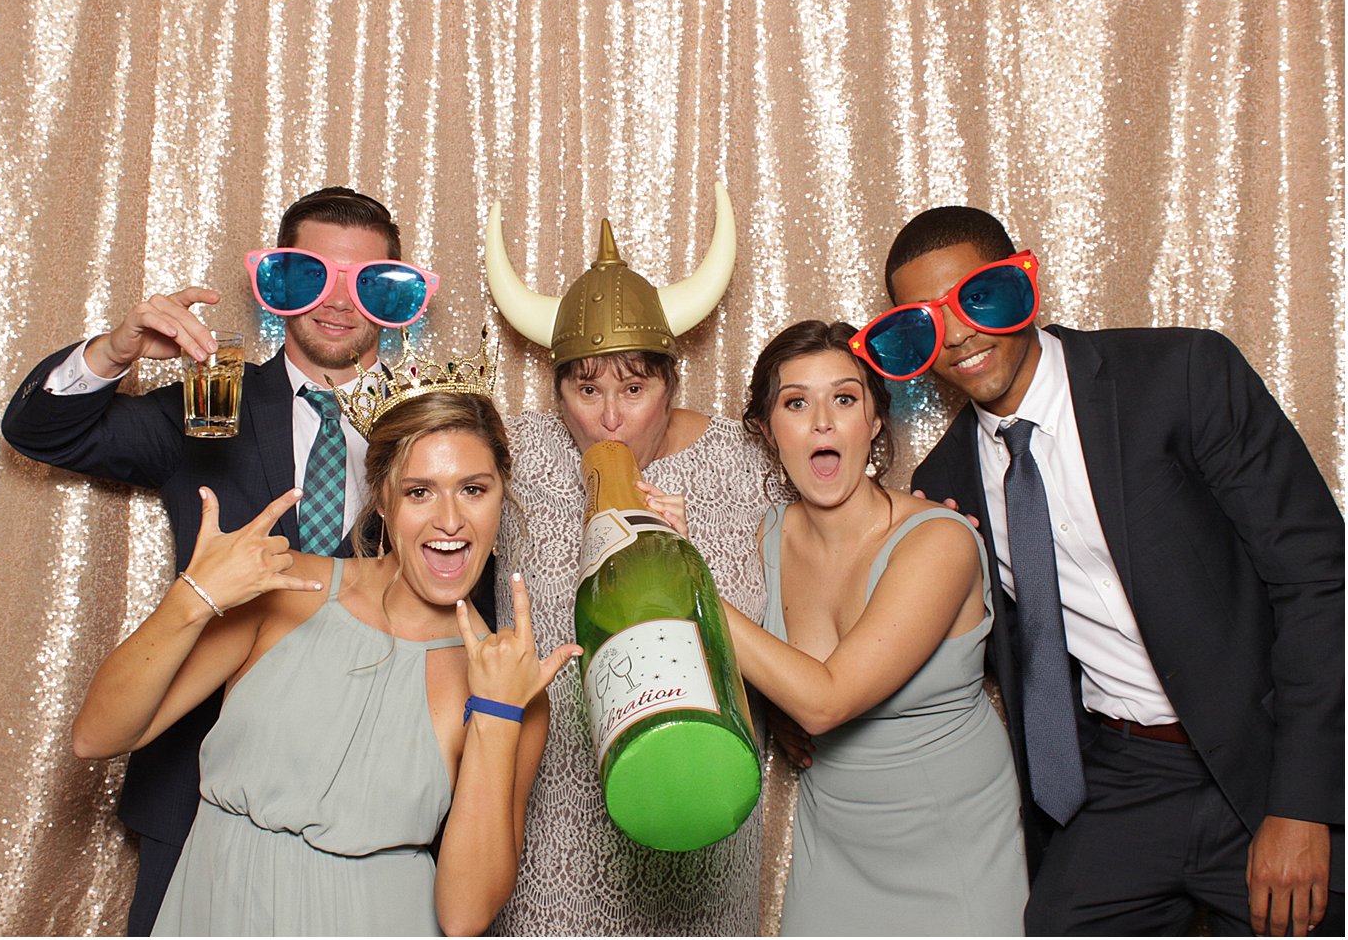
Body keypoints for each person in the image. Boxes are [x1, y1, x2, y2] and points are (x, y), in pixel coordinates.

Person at [863, 205, 1344, 935]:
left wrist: (1303, 802)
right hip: (1122, 777)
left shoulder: (1181, 375)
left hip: (1267, 753)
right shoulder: (945, 481)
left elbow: (1320, 578)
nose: (959, 334)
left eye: (978, 297)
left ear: (1025, 281)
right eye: (924, 323)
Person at [2, 186, 422, 934]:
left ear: (392, 296)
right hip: (202, 784)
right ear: (277, 285)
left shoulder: (428, 423)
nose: (335, 302)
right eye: (309, 275)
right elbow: (43, 433)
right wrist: (115, 350)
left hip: (377, 790)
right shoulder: (211, 400)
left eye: (365, 282)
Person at [71, 351, 580, 936]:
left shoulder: (510, 681)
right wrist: (192, 598)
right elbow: (97, 736)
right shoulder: (287, 588)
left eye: (473, 489)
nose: (449, 520)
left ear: (500, 498)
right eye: (419, 492)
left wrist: (496, 712)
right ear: (384, 502)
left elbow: (465, 916)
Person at [646, 319, 1027, 935]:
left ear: (874, 422)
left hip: (954, 848)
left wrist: (689, 579)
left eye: (844, 399)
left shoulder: (940, 541)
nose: (822, 421)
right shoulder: (766, 535)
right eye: (796, 403)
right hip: (834, 850)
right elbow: (756, 676)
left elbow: (825, 701)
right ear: (768, 433)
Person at [481, 183, 780, 933]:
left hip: (701, 803)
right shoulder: (512, 456)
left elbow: (837, 548)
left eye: (635, 387)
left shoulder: (744, 464)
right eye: (587, 388)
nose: (610, 415)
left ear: (671, 382)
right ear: (559, 392)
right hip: (560, 823)